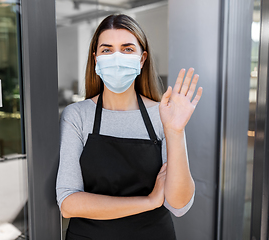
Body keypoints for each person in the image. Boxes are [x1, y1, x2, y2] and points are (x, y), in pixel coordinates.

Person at [56, 14, 203, 240]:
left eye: (127, 49)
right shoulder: (77, 116)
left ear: (142, 58)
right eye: (107, 50)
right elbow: (68, 203)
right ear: (95, 59)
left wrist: (175, 131)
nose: (117, 57)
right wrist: (149, 201)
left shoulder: (163, 115)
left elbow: (179, 204)